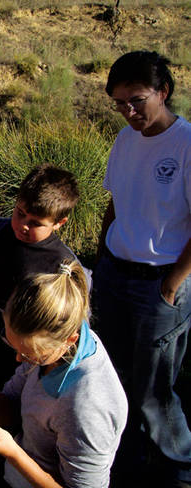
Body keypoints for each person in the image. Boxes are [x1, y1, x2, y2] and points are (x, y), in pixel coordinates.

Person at [92, 50, 191, 487]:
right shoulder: (124, 140)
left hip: (160, 284)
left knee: (154, 393)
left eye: (137, 100)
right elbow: (115, 202)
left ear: (163, 92)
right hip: (115, 275)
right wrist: (100, 259)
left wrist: (171, 286)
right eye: (119, 103)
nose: (129, 111)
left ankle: (179, 472)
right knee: (111, 379)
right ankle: (126, 463)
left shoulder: (186, 144)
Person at [0, 261, 127, 488]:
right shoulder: (56, 345)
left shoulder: (87, 408)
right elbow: (12, 405)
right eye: (14, 346)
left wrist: (13, 453)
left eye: (31, 354)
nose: (19, 360)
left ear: (70, 340)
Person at [0, 165, 79, 393]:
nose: (23, 225)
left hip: (26, 361)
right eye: (20, 213)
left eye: (37, 222)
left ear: (60, 223)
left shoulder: (62, 264)